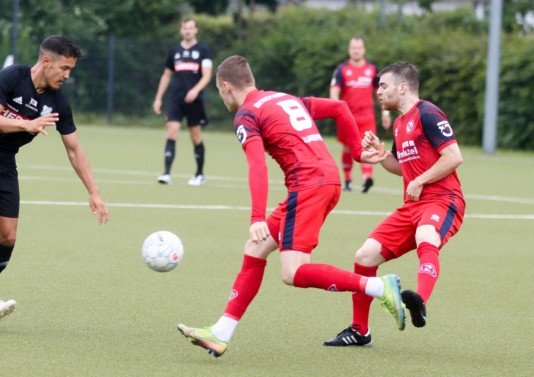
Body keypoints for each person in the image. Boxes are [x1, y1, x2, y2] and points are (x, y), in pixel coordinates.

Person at [176, 55, 405, 358]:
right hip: (321, 180)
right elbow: (339, 108)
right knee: (255, 249)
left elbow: (257, 166)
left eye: (220, 92)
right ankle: (221, 332)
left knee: (292, 272)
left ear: (227, 87)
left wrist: (257, 215)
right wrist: (356, 152)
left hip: (309, 185)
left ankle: (378, 287)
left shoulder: (246, 114)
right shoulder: (282, 98)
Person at [0, 35, 110, 328]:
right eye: (64, 68)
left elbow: (74, 149)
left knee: (8, 237)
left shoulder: (57, 101)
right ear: (46, 61)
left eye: (71, 69)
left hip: (4, 164)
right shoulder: (12, 77)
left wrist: (94, 192)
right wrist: (25, 124)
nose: (68, 75)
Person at [324, 62, 465, 347]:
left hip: (443, 200)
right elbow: (403, 168)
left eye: (383, 86)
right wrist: (383, 155)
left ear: (403, 87)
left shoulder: (428, 113)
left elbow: (453, 156)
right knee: (365, 256)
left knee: (427, 236)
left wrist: (420, 180)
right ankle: (360, 331)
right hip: (412, 206)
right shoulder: (400, 124)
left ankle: (419, 301)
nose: (378, 92)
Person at [152, 17, 213, 186]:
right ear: (181, 30)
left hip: (195, 101)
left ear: (196, 30)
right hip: (175, 100)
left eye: (191, 28)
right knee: (172, 132)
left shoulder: (203, 49)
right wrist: (158, 98)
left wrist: (195, 90)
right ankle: (166, 174)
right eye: (185, 28)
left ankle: (200, 174)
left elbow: (207, 75)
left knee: (195, 137)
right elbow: (166, 75)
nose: (188, 31)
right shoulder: (174, 50)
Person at [330, 37, 391, 192]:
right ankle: (348, 180)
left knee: (369, 146)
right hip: (347, 117)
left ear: (364, 50)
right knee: (347, 148)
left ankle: (366, 179)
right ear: (349, 50)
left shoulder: (372, 70)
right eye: (353, 48)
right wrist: (335, 109)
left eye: (359, 48)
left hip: (367, 117)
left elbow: (381, 92)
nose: (356, 50)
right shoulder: (341, 70)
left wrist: (385, 112)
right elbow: (334, 91)